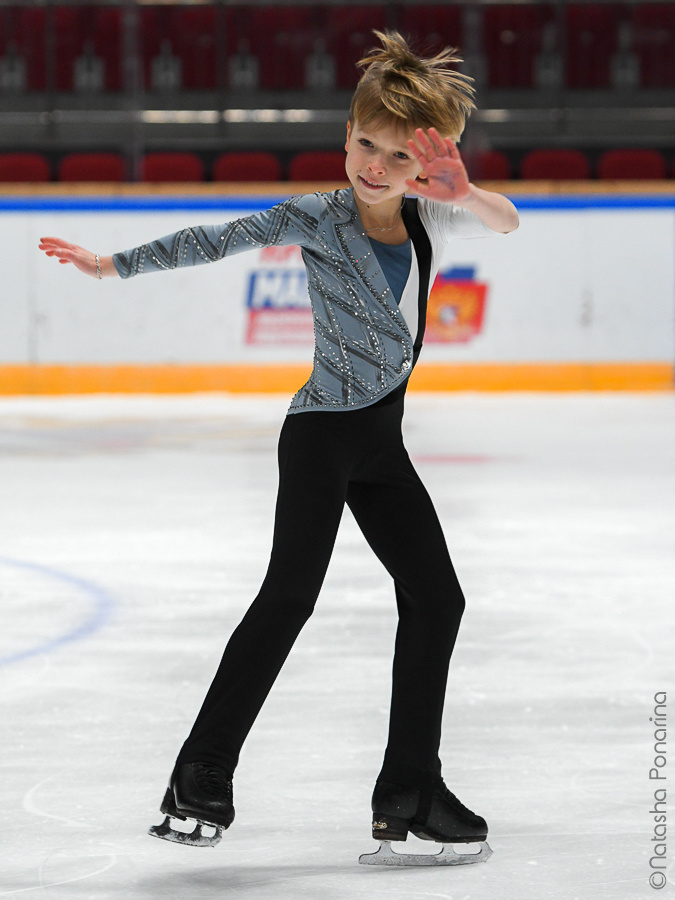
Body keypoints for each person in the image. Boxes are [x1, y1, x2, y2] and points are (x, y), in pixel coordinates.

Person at [39, 30, 518, 865]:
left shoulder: (429, 217)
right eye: (365, 144)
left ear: (423, 165)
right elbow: (212, 238)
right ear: (344, 137)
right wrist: (110, 266)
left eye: (398, 155)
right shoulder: (317, 218)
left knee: (436, 598)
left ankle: (409, 790)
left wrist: (465, 191)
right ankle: (201, 776)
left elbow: (505, 223)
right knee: (287, 597)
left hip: (381, 444)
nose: (375, 165)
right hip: (322, 439)